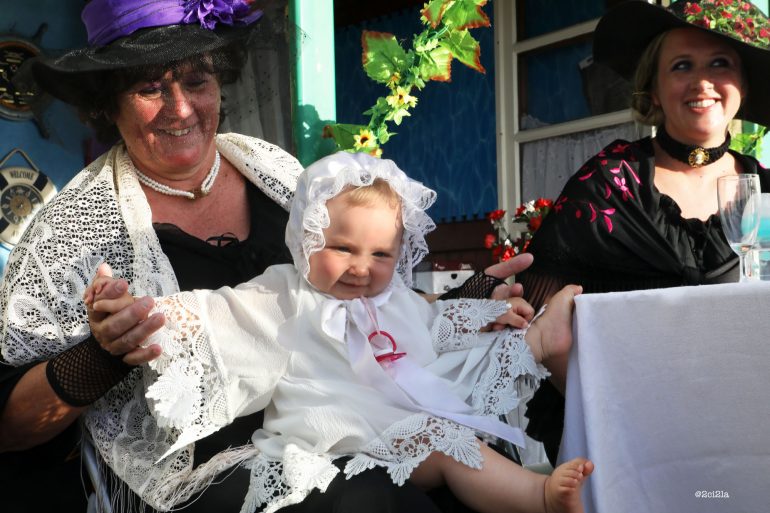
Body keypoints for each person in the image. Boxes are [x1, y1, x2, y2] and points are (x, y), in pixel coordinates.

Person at [0, 1, 535, 511]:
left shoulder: (276, 173)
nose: (180, 108)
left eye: (196, 81)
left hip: (337, 422)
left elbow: (351, 303)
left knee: (479, 454)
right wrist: (105, 355)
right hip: (197, 476)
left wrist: (463, 307)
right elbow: (9, 426)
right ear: (106, 103)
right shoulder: (70, 234)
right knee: (377, 498)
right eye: (149, 88)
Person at [88, 151, 593, 513]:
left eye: (381, 254)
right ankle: (540, 495)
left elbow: (434, 331)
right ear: (306, 238)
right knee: (441, 443)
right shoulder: (285, 294)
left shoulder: (392, 298)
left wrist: (479, 316)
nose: (361, 267)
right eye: (343, 248)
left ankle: (538, 346)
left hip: (398, 428)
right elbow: (213, 315)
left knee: (456, 433)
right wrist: (136, 310)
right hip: (330, 441)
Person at [517, 0, 770, 465]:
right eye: (681, 66)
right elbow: (529, 296)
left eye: (720, 63)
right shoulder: (612, 182)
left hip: (746, 426)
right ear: (652, 87)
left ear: (743, 83)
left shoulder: (766, 190)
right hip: (625, 435)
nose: (702, 82)